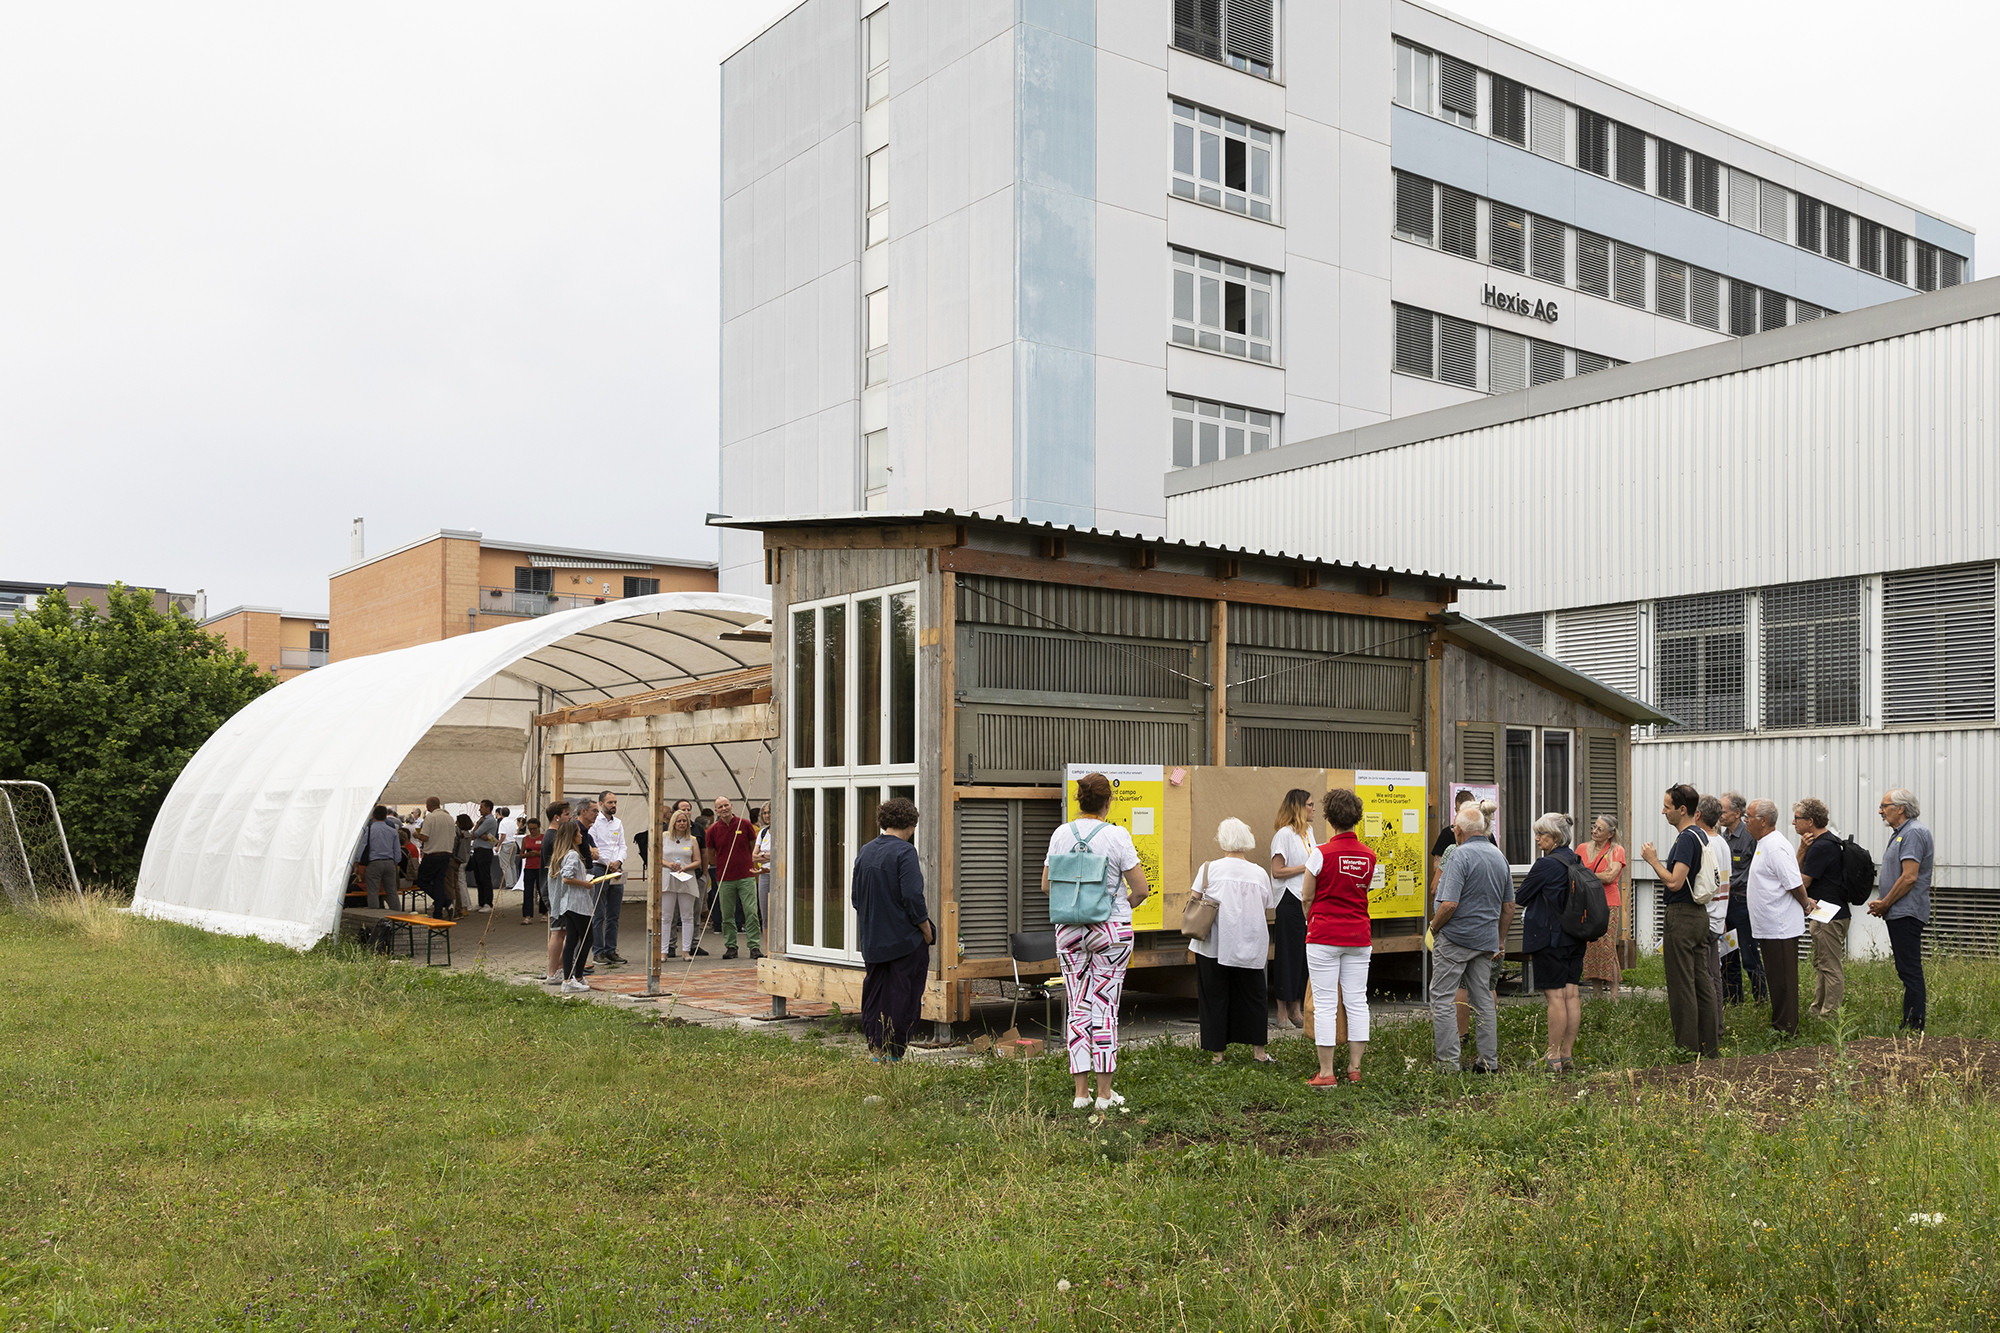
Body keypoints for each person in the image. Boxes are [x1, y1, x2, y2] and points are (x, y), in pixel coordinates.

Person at [1041, 772, 1149, 1111]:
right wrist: (1120, 905)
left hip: (1070, 931)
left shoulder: (1061, 834)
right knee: (1105, 1006)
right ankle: (1105, 1096)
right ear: (1108, 801)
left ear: (1079, 800)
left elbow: (1047, 885)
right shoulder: (1116, 836)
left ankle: (1080, 1094)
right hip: (1110, 931)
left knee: (1078, 1006)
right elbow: (1141, 888)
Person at [1427, 802, 1515, 1073]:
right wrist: (1500, 940)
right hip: (1485, 940)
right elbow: (1509, 905)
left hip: (1455, 938)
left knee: (1441, 998)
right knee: (1483, 1001)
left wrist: (1434, 927)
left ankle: (1448, 1063)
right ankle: (1488, 1062)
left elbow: (1449, 904)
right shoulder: (1499, 856)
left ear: (1458, 830)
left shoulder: (1459, 856)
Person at [1192, 818, 1279, 1067]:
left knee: (1214, 996)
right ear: (1247, 841)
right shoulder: (1259, 873)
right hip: (1251, 944)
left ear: (1222, 840)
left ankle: (1217, 1055)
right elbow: (1266, 907)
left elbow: (1194, 899)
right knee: (1254, 996)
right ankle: (1259, 1053)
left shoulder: (1209, 868)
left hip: (1213, 944)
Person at [1641, 784, 1720, 1058]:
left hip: (1682, 915)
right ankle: (1709, 1046)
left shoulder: (1687, 838)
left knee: (1681, 984)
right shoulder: (1701, 835)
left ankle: (1686, 1049)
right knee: (1702, 981)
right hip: (1699, 916)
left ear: (1682, 809)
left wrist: (1653, 861)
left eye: (1667, 806)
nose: (1663, 811)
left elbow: (1675, 882)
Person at [852, 797, 933, 1061]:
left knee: (875, 996)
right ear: (911, 825)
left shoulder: (865, 850)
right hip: (903, 942)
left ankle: (876, 1049)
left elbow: (855, 898)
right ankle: (893, 1054)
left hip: (873, 941)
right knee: (903, 998)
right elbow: (912, 895)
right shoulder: (905, 852)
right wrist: (925, 928)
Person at [1305, 788, 1375, 1088]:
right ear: (1356, 818)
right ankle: (1355, 1068)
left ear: (1329, 818)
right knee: (1357, 1000)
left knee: (1325, 1003)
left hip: (1324, 934)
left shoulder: (1320, 853)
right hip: (1359, 935)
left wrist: (1312, 919)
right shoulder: (1369, 855)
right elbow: (1364, 890)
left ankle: (1326, 1072)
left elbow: (1307, 895)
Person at [1517, 813, 1583, 1072]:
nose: (1536, 839)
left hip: (1550, 937)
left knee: (1555, 996)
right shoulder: (1576, 859)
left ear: (1554, 837)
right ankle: (1566, 1053)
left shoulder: (1546, 865)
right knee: (1572, 994)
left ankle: (1552, 1056)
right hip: (1575, 937)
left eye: (1541, 834)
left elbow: (1522, 895)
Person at [1870, 788, 1933, 1031]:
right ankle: (1910, 1021)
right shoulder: (1902, 833)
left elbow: (1909, 877)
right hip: (1899, 910)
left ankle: (1914, 1025)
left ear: (1901, 808)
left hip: (1906, 911)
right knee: (1905, 968)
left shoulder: (1914, 833)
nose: (1880, 811)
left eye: (1884, 806)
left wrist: (1885, 903)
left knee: (1910, 969)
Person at [1743, 798, 1807, 1037]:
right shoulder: (1763, 842)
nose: (1745, 821)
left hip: (1780, 926)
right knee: (1776, 978)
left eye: (1748, 817)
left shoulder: (1775, 845)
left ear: (1764, 821)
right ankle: (1781, 1023)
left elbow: (1793, 882)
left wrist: (1805, 903)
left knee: (1783, 980)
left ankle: (1787, 1028)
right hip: (1769, 924)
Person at [1266, 789, 1318, 1031]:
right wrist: (1305, 867)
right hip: (1289, 899)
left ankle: (1297, 1008)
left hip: (1306, 900)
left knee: (1302, 956)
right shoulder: (1283, 835)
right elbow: (1277, 870)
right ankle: (1281, 1012)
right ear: (1298, 808)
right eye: (1309, 804)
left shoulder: (1309, 832)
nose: (1313, 808)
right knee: (1287, 955)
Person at [1794, 798, 1848, 1019]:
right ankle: (1818, 1009)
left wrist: (1801, 851)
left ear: (1810, 821)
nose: (1793, 823)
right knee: (1822, 964)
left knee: (1830, 966)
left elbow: (1800, 882)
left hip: (1829, 916)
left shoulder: (1821, 846)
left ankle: (1830, 1015)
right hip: (1831, 914)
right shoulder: (1830, 842)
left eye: (1797, 819)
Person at [1717, 792, 1767, 1005]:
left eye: (1724, 811)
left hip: (1742, 903)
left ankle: (1761, 1000)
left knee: (1748, 954)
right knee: (1728, 952)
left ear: (1737, 814)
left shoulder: (1750, 837)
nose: (1720, 814)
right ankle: (1733, 999)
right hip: (1725, 902)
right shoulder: (1723, 837)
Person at [704, 797, 761, 959]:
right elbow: (711, 856)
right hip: (725, 878)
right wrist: (722, 866)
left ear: (731, 806)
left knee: (751, 912)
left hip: (746, 876)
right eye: (720, 807)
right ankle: (731, 946)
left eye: (726, 805)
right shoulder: (713, 830)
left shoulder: (744, 824)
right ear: (716, 810)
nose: (724, 808)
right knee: (727, 914)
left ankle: (754, 946)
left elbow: (752, 847)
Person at [1576, 815, 1627, 996]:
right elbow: (1573, 873)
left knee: (1607, 948)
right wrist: (1595, 875)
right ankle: (1597, 994)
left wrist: (1585, 875)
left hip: (1608, 904)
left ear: (1610, 834)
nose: (1594, 831)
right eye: (1594, 827)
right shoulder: (1582, 848)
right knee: (1591, 949)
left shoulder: (1616, 850)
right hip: (1586, 904)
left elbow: (1610, 877)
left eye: (1600, 829)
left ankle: (1614, 995)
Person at [548, 816, 600, 993]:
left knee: (572, 939)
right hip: (576, 904)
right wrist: (585, 883)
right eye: (578, 833)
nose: (581, 836)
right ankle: (574, 977)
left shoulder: (568, 854)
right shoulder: (571, 855)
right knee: (586, 939)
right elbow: (567, 877)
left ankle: (572, 977)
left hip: (571, 904)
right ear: (572, 836)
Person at [1696, 795, 1730, 1038]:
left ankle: (1710, 1029)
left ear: (1697, 814)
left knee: (1704, 975)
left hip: (1706, 916)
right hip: (1719, 915)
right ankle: (1716, 1026)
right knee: (1714, 974)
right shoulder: (1723, 843)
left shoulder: (1703, 842)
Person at [658, 807, 703, 959]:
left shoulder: (692, 840)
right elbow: (656, 857)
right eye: (679, 821)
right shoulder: (664, 837)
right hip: (668, 877)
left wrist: (686, 867)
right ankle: (663, 951)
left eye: (684, 821)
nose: (682, 824)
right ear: (673, 822)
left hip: (686, 877)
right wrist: (669, 864)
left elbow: (698, 861)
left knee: (687, 916)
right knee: (666, 916)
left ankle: (686, 951)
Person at [591, 792, 628, 966]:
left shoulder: (618, 823)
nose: (613, 805)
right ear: (601, 804)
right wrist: (608, 863)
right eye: (610, 802)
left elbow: (623, 845)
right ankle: (598, 951)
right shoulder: (595, 823)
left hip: (616, 870)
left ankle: (611, 950)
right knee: (599, 913)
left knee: (614, 914)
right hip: (600, 869)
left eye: (615, 802)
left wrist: (619, 861)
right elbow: (594, 848)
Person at [541, 802, 571, 982]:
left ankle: (559, 967)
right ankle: (554, 971)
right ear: (556, 817)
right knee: (558, 930)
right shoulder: (553, 837)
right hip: (554, 889)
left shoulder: (554, 836)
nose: (570, 818)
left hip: (555, 888)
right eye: (567, 814)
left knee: (564, 930)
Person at [415, 797, 457, 917]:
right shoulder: (449, 818)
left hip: (432, 855)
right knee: (439, 882)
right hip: (446, 854)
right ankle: (438, 911)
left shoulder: (431, 817)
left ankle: (443, 901)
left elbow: (425, 837)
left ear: (429, 806)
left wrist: (417, 835)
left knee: (421, 880)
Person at [360, 805, 402, 911]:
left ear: (373, 815)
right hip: (389, 863)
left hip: (374, 863)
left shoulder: (369, 830)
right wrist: (396, 861)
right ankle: (397, 916)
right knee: (392, 891)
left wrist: (357, 862)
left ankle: (375, 917)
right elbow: (397, 850)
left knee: (373, 892)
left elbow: (362, 847)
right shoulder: (392, 831)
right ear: (385, 816)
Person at [467, 800, 501, 913]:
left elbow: (475, 833)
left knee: (484, 877)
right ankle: (481, 902)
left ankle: (488, 903)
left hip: (484, 851)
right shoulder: (482, 820)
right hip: (477, 851)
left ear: (488, 808)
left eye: (481, 807)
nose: (479, 809)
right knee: (478, 877)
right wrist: (480, 833)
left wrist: (478, 831)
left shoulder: (489, 820)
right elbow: (473, 833)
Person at [753, 802, 774, 935]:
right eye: (764, 813)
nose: (767, 815)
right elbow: (754, 857)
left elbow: (781, 855)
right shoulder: (763, 832)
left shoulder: (783, 829)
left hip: (777, 874)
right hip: (764, 875)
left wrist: (764, 855)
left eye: (769, 812)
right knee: (765, 915)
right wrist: (767, 855)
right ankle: (767, 950)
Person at [449, 813, 474, 915]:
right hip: (465, 859)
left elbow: (456, 847)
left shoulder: (460, 834)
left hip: (459, 859)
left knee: (460, 883)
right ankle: (466, 904)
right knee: (462, 882)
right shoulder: (468, 834)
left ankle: (464, 905)